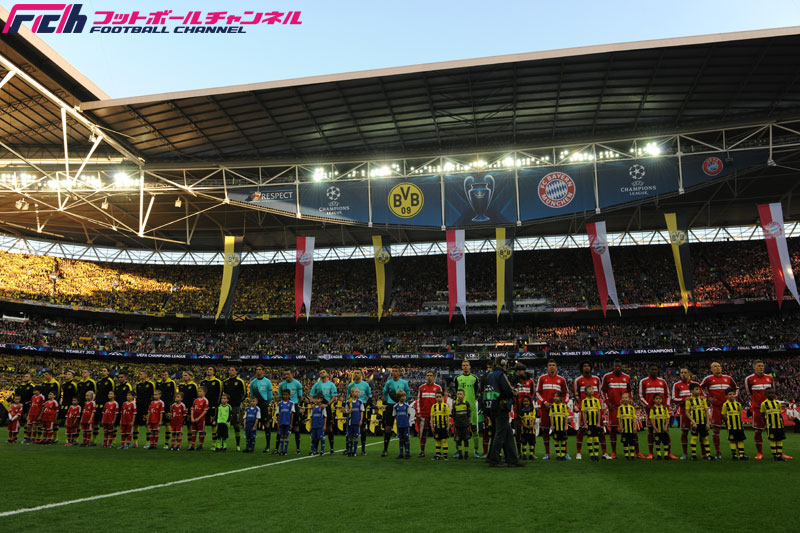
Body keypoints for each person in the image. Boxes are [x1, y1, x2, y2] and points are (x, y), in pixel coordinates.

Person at [485, 356, 524, 467]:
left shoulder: (489, 375)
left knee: (508, 434)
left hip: (491, 406)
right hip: (501, 407)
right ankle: (494, 459)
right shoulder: (501, 375)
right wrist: (515, 392)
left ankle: (512, 459)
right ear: (503, 363)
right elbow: (508, 391)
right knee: (500, 434)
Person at [700, 362, 737, 460]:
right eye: (715, 367)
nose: (717, 368)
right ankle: (718, 452)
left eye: (719, 366)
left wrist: (734, 398)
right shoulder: (708, 379)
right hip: (716, 407)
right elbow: (699, 388)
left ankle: (736, 452)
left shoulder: (728, 378)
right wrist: (708, 397)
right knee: (716, 430)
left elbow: (736, 388)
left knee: (732, 429)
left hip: (728, 407)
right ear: (711, 369)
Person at [573, 361, 608, 460]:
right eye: (584, 366)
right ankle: (578, 452)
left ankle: (604, 453)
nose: (587, 367)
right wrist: (582, 406)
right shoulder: (578, 380)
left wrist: (602, 407)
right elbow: (576, 395)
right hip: (585, 411)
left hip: (596, 411)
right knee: (581, 431)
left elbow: (600, 393)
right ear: (581, 368)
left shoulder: (596, 379)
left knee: (600, 431)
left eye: (588, 366)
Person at [638, 364, 673, 460]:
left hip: (663, 411)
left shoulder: (662, 381)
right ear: (648, 371)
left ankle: (668, 453)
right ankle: (651, 453)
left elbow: (668, 395)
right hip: (651, 412)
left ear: (658, 371)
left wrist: (667, 406)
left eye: (655, 369)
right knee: (651, 432)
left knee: (666, 432)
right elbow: (640, 396)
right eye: (652, 369)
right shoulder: (643, 381)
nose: (654, 371)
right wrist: (649, 406)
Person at [536, 359, 569, 460]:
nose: (551, 367)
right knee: (545, 431)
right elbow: (537, 392)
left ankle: (565, 453)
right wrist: (545, 402)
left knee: (562, 431)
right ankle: (547, 453)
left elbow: (566, 393)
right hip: (545, 409)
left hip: (558, 410)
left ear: (556, 367)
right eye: (550, 365)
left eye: (553, 365)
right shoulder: (542, 378)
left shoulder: (561, 379)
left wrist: (563, 403)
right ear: (547, 367)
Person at [601, 359, 632, 459]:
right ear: (613, 366)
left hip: (625, 408)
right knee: (613, 429)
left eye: (619, 366)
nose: (617, 367)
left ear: (622, 366)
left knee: (630, 429)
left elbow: (629, 391)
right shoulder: (607, 376)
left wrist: (630, 401)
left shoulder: (627, 377)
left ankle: (634, 451)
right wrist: (607, 402)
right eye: (616, 366)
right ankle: (614, 452)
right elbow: (603, 391)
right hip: (613, 407)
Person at [745, 360, 775, 460]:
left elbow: (773, 392)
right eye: (758, 366)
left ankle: (778, 452)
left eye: (762, 366)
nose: (761, 367)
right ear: (754, 367)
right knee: (758, 431)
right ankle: (759, 453)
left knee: (774, 430)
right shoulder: (749, 379)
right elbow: (749, 394)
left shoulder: (770, 378)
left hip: (770, 409)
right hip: (757, 409)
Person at [380, 366, 410, 457]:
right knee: (388, 428)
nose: (394, 373)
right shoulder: (389, 383)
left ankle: (405, 452)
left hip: (401, 407)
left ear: (400, 372)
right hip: (390, 406)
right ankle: (385, 450)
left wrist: (403, 402)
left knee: (402, 427)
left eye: (396, 371)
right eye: (393, 371)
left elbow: (408, 394)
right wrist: (388, 400)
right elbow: (384, 393)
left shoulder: (404, 383)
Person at [671, 367, 700, 459]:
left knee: (700, 432)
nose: (683, 374)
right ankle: (685, 454)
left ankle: (703, 453)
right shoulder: (676, 385)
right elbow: (674, 398)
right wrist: (684, 399)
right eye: (681, 372)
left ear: (689, 374)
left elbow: (703, 396)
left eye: (685, 372)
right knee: (684, 432)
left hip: (697, 412)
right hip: (684, 412)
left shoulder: (696, 384)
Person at [455, 360, 481, 458]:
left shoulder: (474, 378)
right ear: (462, 367)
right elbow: (456, 391)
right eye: (463, 365)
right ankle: (458, 451)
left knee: (474, 429)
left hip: (471, 407)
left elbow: (476, 391)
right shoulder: (457, 378)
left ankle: (476, 451)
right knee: (458, 430)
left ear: (470, 367)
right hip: (460, 408)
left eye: (467, 365)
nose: (465, 367)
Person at [309, 369, 338, 455]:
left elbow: (334, 397)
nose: (321, 373)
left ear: (327, 374)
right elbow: (311, 395)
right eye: (320, 372)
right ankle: (315, 449)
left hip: (326, 407)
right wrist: (313, 403)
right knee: (318, 428)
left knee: (329, 428)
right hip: (318, 408)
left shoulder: (331, 385)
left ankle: (332, 448)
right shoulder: (316, 385)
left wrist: (327, 405)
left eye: (323, 372)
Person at [346, 369, 372, 456]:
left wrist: (364, 406)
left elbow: (370, 396)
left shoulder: (365, 385)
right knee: (350, 428)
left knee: (362, 429)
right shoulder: (350, 385)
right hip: (351, 408)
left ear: (361, 375)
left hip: (361, 407)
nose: (356, 374)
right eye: (355, 373)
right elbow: (347, 397)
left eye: (358, 373)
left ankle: (363, 449)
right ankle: (348, 449)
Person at [416, 370, 442, 458]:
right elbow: (418, 401)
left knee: (437, 432)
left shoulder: (438, 387)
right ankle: (422, 451)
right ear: (426, 377)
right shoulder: (421, 387)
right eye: (428, 375)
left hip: (435, 414)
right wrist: (418, 412)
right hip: (424, 414)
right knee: (423, 433)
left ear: (433, 377)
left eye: (431, 375)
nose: (429, 377)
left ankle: (438, 451)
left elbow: (441, 401)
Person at [277, 370, 304, 455]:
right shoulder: (281, 384)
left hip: (294, 406)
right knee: (281, 427)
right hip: (284, 407)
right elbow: (280, 397)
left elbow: (300, 397)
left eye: (288, 374)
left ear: (292, 374)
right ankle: (277, 448)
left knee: (296, 428)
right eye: (285, 374)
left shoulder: (297, 384)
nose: (286, 375)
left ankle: (298, 448)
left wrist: (297, 406)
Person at [249, 365, 273, 453]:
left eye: (260, 369)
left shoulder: (267, 382)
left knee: (266, 424)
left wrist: (266, 404)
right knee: (252, 423)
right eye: (257, 369)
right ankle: (250, 445)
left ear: (263, 371)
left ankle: (268, 445)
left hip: (263, 405)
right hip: (255, 405)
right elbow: (252, 395)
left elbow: (270, 396)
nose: (258, 371)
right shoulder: (253, 382)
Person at [512, 362, 534, 458]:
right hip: (517, 410)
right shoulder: (513, 381)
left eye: (523, 370)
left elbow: (532, 394)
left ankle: (531, 452)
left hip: (528, 411)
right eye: (520, 370)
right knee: (518, 432)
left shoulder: (530, 381)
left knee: (530, 431)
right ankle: (519, 452)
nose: (522, 372)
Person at [685, 384, 713, 461]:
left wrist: (708, 423)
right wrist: (693, 421)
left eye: (699, 389)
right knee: (694, 437)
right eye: (696, 389)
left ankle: (708, 454)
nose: (699, 391)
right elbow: (687, 412)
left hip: (703, 422)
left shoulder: (703, 399)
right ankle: (693, 455)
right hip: (695, 423)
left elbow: (706, 411)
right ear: (691, 391)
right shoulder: (689, 400)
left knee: (705, 438)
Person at [224, 366, 248, 452]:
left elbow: (245, 394)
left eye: (232, 370)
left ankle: (238, 445)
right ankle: (224, 444)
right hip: (226, 407)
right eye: (229, 370)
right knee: (224, 425)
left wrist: (239, 401)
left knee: (236, 425)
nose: (230, 371)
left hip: (235, 406)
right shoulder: (225, 382)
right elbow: (223, 394)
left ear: (236, 372)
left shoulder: (240, 381)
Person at [721, 387, 748, 460]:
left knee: (740, 440)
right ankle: (734, 455)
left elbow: (740, 413)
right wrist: (728, 422)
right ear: (726, 396)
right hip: (731, 426)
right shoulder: (725, 405)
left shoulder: (738, 404)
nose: (732, 396)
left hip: (739, 426)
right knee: (732, 440)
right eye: (730, 394)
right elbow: (723, 415)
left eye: (733, 394)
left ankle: (741, 455)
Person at [760, 388, 786, 461]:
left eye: (772, 393)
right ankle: (775, 456)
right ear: (766, 394)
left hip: (779, 425)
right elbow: (762, 415)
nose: (771, 394)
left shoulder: (778, 403)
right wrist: (766, 423)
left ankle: (779, 455)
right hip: (770, 425)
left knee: (780, 439)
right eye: (769, 393)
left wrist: (782, 423)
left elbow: (779, 413)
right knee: (773, 440)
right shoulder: (764, 404)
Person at [200, 367, 223, 449]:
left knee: (213, 424)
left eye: (210, 370)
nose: (208, 371)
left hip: (213, 407)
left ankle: (214, 444)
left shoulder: (218, 382)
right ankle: (201, 444)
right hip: (203, 407)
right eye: (208, 369)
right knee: (203, 425)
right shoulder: (202, 382)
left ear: (214, 372)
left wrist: (217, 405)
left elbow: (220, 394)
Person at [580, 385, 603, 462]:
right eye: (589, 389)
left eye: (592, 389)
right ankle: (591, 455)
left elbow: (599, 412)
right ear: (585, 391)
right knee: (589, 438)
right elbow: (583, 413)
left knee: (596, 438)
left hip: (596, 423)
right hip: (588, 423)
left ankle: (596, 454)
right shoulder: (584, 401)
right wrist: (585, 424)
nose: (591, 390)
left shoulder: (596, 400)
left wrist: (599, 422)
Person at [134, 370, 155, 448]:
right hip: (138, 406)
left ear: (146, 375)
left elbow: (153, 395)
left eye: (141, 374)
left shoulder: (150, 384)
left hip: (146, 406)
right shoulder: (138, 385)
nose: (139, 375)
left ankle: (148, 442)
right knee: (135, 423)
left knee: (147, 424)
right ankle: (135, 443)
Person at [94, 367, 114, 445]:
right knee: (96, 422)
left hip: (106, 405)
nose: (103, 372)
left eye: (104, 371)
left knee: (107, 424)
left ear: (108, 372)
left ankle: (110, 441)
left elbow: (112, 392)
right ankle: (94, 440)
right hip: (98, 405)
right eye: (102, 371)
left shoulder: (110, 381)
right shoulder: (99, 382)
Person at [648, 393, 672, 460]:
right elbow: (652, 419)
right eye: (657, 398)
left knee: (666, 442)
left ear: (662, 400)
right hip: (657, 429)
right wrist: (655, 428)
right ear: (654, 400)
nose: (658, 400)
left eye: (660, 399)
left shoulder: (664, 408)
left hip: (664, 429)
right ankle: (659, 455)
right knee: (657, 442)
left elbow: (668, 418)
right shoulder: (653, 409)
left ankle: (666, 455)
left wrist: (666, 426)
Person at [179, 372, 199, 449]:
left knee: (189, 425)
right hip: (182, 408)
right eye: (183, 375)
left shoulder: (194, 385)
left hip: (190, 408)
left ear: (191, 376)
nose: (184, 376)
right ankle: (178, 443)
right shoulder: (181, 385)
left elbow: (196, 397)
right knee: (180, 425)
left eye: (186, 375)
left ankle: (190, 443)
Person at [452, 389, 472, 460]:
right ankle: (460, 454)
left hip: (465, 426)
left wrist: (469, 424)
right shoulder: (455, 404)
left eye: (460, 394)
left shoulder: (466, 403)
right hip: (457, 426)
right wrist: (454, 423)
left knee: (466, 440)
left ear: (464, 395)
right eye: (458, 394)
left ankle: (466, 454)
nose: (459, 395)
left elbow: (469, 415)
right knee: (458, 440)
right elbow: (454, 415)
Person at [617, 393, 637, 460]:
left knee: (632, 442)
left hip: (631, 428)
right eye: (623, 398)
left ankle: (632, 455)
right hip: (624, 428)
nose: (624, 399)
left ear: (629, 399)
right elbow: (619, 418)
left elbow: (634, 418)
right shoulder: (620, 408)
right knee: (625, 442)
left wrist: (635, 426)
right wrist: (620, 426)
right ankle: (626, 455)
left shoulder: (631, 408)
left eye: (626, 398)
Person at [550, 391, 569, 461]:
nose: (555, 398)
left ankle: (563, 455)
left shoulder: (564, 406)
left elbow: (566, 416)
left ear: (561, 398)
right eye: (554, 396)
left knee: (563, 440)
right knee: (556, 440)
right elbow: (551, 416)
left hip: (562, 427)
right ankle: (558, 455)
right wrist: (552, 425)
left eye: (557, 396)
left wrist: (566, 425)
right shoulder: (552, 406)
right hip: (556, 427)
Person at [430, 391, 450, 461]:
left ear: (442, 397)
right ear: (435, 398)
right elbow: (432, 417)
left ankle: (445, 455)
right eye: (437, 397)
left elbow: (447, 417)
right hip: (437, 426)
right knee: (437, 440)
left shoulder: (445, 406)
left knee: (444, 440)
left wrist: (448, 426)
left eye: (440, 397)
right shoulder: (434, 406)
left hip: (444, 426)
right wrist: (432, 426)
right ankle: (437, 455)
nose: (438, 398)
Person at [345, 386, 364, 457]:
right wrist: (347, 411)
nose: (357, 393)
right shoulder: (348, 402)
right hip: (350, 421)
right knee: (349, 436)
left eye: (358, 392)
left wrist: (361, 420)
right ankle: (350, 451)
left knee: (356, 436)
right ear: (352, 393)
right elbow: (346, 411)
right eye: (356, 392)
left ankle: (354, 451)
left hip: (357, 421)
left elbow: (362, 411)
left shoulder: (360, 402)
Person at [189, 386, 209, 451]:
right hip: (194, 418)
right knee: (194, 432)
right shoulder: (195, 400)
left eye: (200, 391)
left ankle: (200, 446)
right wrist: (192, 417)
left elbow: (205, 411)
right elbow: (192, 409)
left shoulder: (205, 400)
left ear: (204, 392)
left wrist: (199, 418)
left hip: (201, 419)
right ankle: (192, 446)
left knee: (201, 432)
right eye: (198, 391)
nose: (198, 392)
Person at [394, 391, 412, 459]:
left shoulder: (407, 406)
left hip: (406, 425)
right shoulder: (395, 406)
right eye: (403, 396)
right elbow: (395, 415)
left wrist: (406, 422)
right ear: (399, 397)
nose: (404, 397)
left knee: (406, 438)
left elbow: (409, 414)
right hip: (399, 425)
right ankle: (401, 453)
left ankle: (407, 453)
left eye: (404, 396)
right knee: (401, 439)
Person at [276, 389, 295, 456]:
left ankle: (285, 451)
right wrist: (278, 423)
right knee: (281, 436)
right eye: (284, 394)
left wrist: (291, 423)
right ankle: (281, 451)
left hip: (287, 422)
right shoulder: (279, 403)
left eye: (286, 394)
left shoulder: (291, 403)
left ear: (289, 395)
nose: (285, 396)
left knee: (286, 435)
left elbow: (292, 414)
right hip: (281, 422)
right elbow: (278, 414)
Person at [518, 395, 536, 460]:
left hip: (531, 429)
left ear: (530, 402)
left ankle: (531, 454)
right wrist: (525, 425)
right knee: (524, 442)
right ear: (522, 402)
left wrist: (531, 425)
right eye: (524, 401)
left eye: (527, 401)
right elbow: (521, 419)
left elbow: (533, 417)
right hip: (524, 429)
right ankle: (524, 454)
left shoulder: (532, 409)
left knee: (532, 442)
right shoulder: (521, 410)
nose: (526, 403)